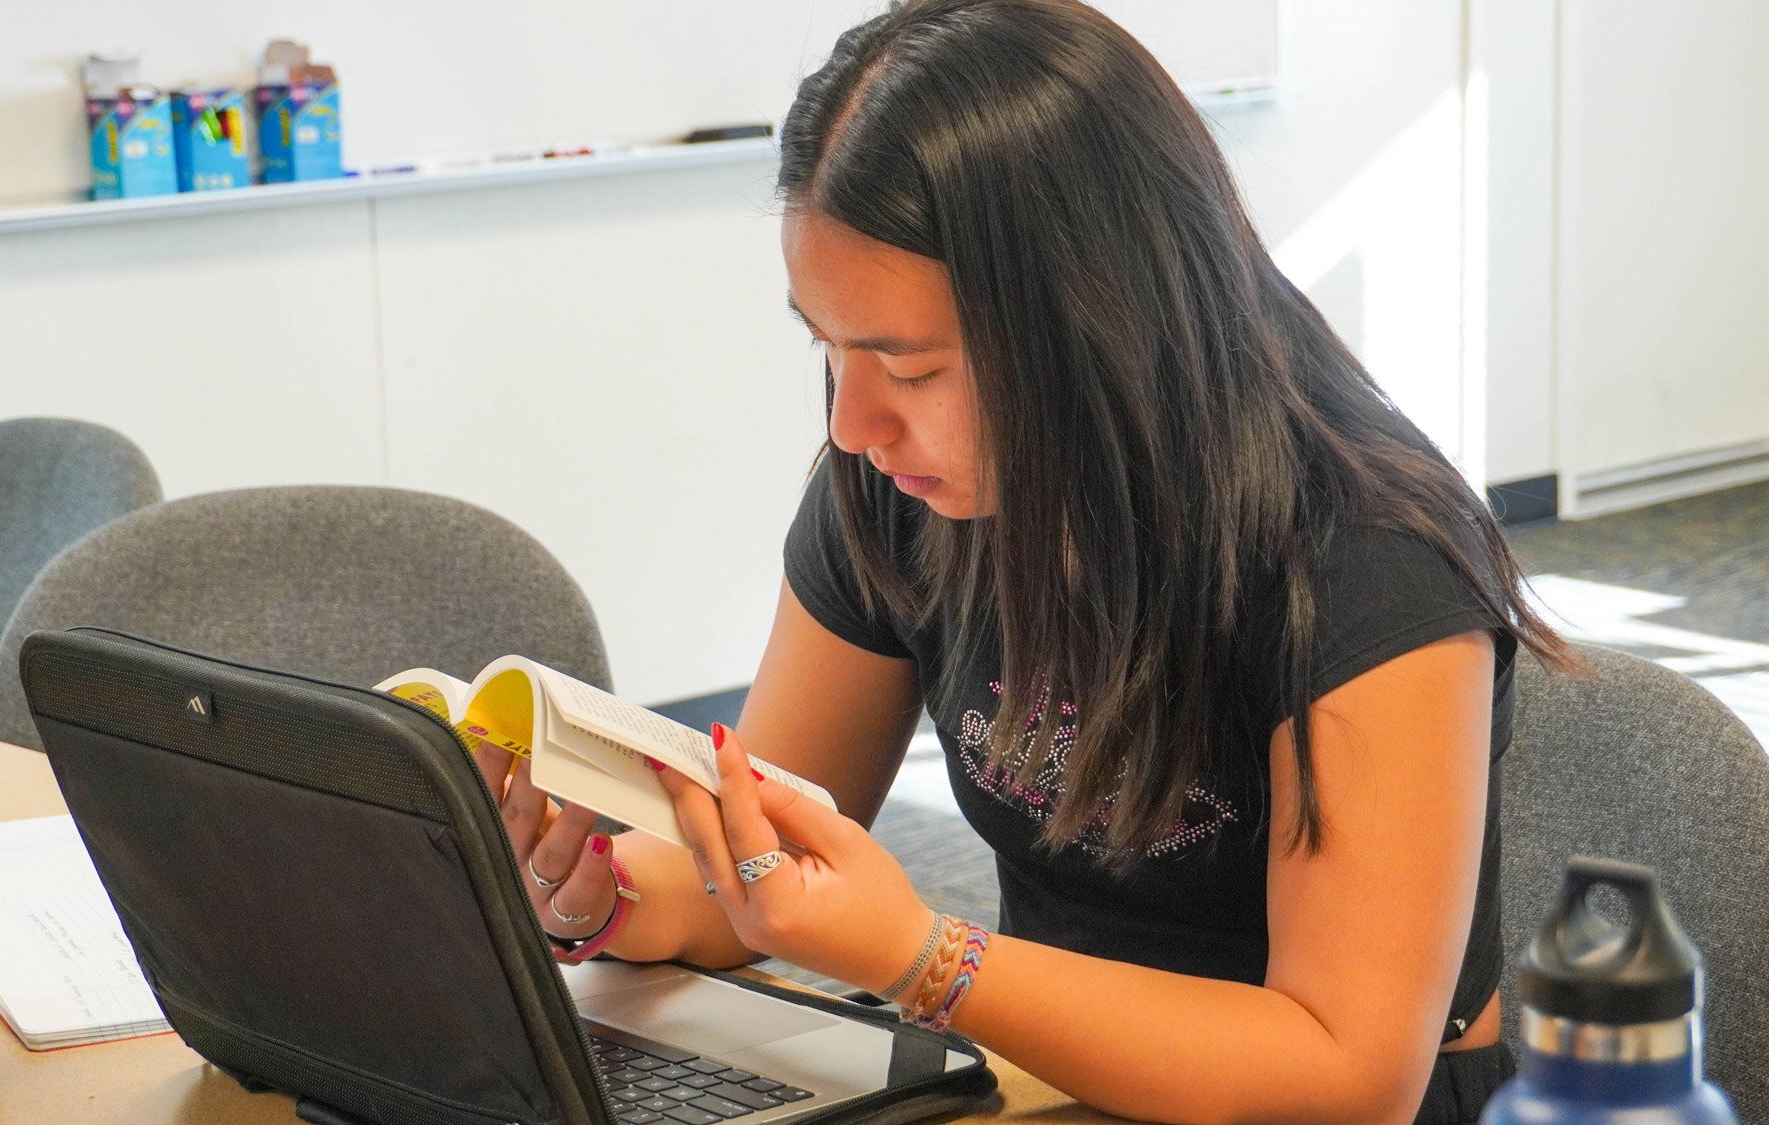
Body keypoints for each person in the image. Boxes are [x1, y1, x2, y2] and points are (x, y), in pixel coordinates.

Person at [479, 1, 1575, 1121]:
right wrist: (597, 895)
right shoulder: (899, 496)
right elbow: (750, 876)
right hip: (1051, 1083)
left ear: (1096, 325)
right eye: (828, 346)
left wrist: (921, 956)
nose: (853, 424)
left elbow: (1344, 1076)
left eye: (909, 371)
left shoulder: (1366, 556)